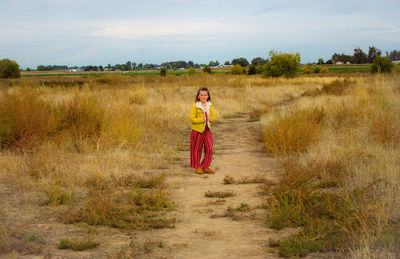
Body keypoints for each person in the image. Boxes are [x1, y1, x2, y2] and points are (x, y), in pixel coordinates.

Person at [189, 87, 216, 174]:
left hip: (207, 130)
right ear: (198, 96)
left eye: (205, 95)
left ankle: (205, 166)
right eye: (201, 95)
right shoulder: (195, 106)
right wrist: (201, 119)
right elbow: (192, 119)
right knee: (197, 149)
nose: (203, 96)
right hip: (197, 131)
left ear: (208, 96)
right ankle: (197, 167)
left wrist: (210, 118)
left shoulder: (210, 105)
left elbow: (213, 117)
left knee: (210, 148)